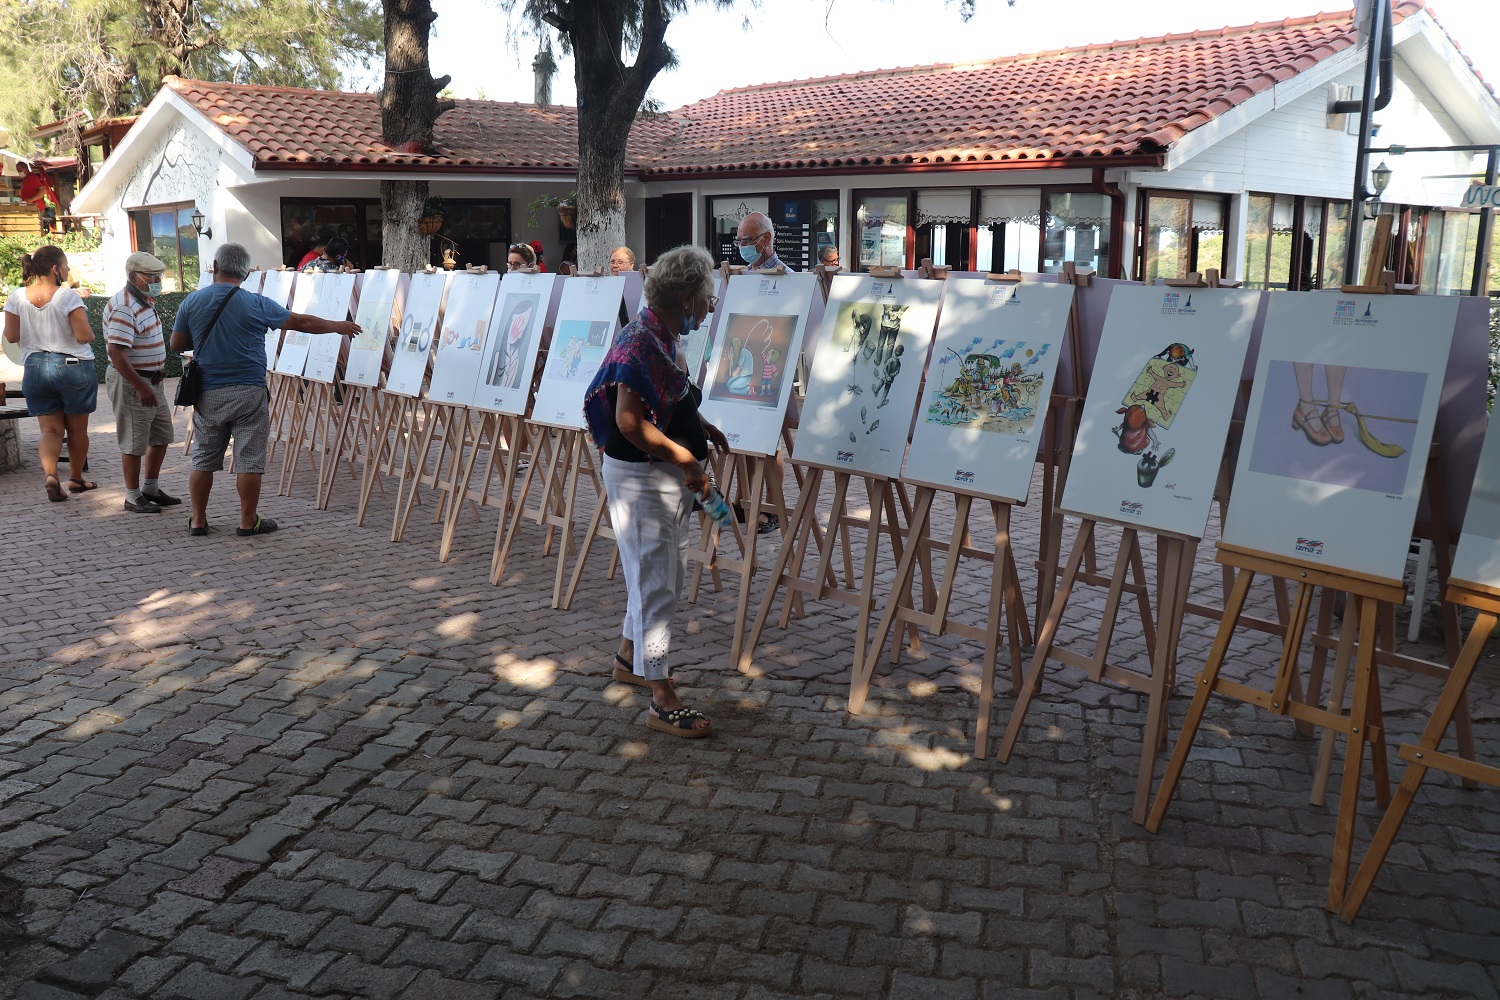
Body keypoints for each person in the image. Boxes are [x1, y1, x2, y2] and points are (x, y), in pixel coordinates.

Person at [583, 243, 729, 738]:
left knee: (657, 576)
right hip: (645, 480)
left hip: (659, 480)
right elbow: (628, 421)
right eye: (706, 295)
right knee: (655, 585)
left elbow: (666, 398)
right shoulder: (644, 339)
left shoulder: (659, 333)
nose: (710, 305)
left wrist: (698, 423)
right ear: (686, 295)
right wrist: (687, 459)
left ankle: (629, 658)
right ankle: (661, 697)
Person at [169, 243, 360, 537]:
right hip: (249, 390)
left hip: (208, 391)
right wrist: (338, 325)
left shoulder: (192, 302)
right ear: (245, 273)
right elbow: (301, 322)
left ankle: (197, 520)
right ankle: (248, 522)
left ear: (216, 267)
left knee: (203, 457)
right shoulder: (257, 303)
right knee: (248, 458)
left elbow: (177, 345)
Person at [2, 245, 96, 501]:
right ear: (55, 269)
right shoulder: (68, 297)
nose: (67, 270)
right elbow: (84, 336)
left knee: (50, 430)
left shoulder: (16, 296)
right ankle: (76, 478)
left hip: (34, 368)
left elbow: (10, 336)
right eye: (65, 266)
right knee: (77, 429)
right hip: (72, 366)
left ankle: (51, 475)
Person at [104, 251, 181, 513]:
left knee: (161, 435)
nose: (157, 280)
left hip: (151, 381)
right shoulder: (126, 305)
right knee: (134, 440)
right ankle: (132, 494)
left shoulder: (145, 300)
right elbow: (116, 352)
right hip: (134, 381)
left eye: (159, 275)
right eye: (151, 276)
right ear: (133, 276)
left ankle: (150, 487)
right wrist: (139, 386)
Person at [17, 163, 59, 229]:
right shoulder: (25, 179)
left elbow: (44, 190)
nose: (19, 172)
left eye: (20, 170)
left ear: (25, 169)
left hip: (36, 207)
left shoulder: (33, 178)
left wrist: (31, 199)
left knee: (37, 228)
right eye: (18, 171)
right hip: (28, 208)